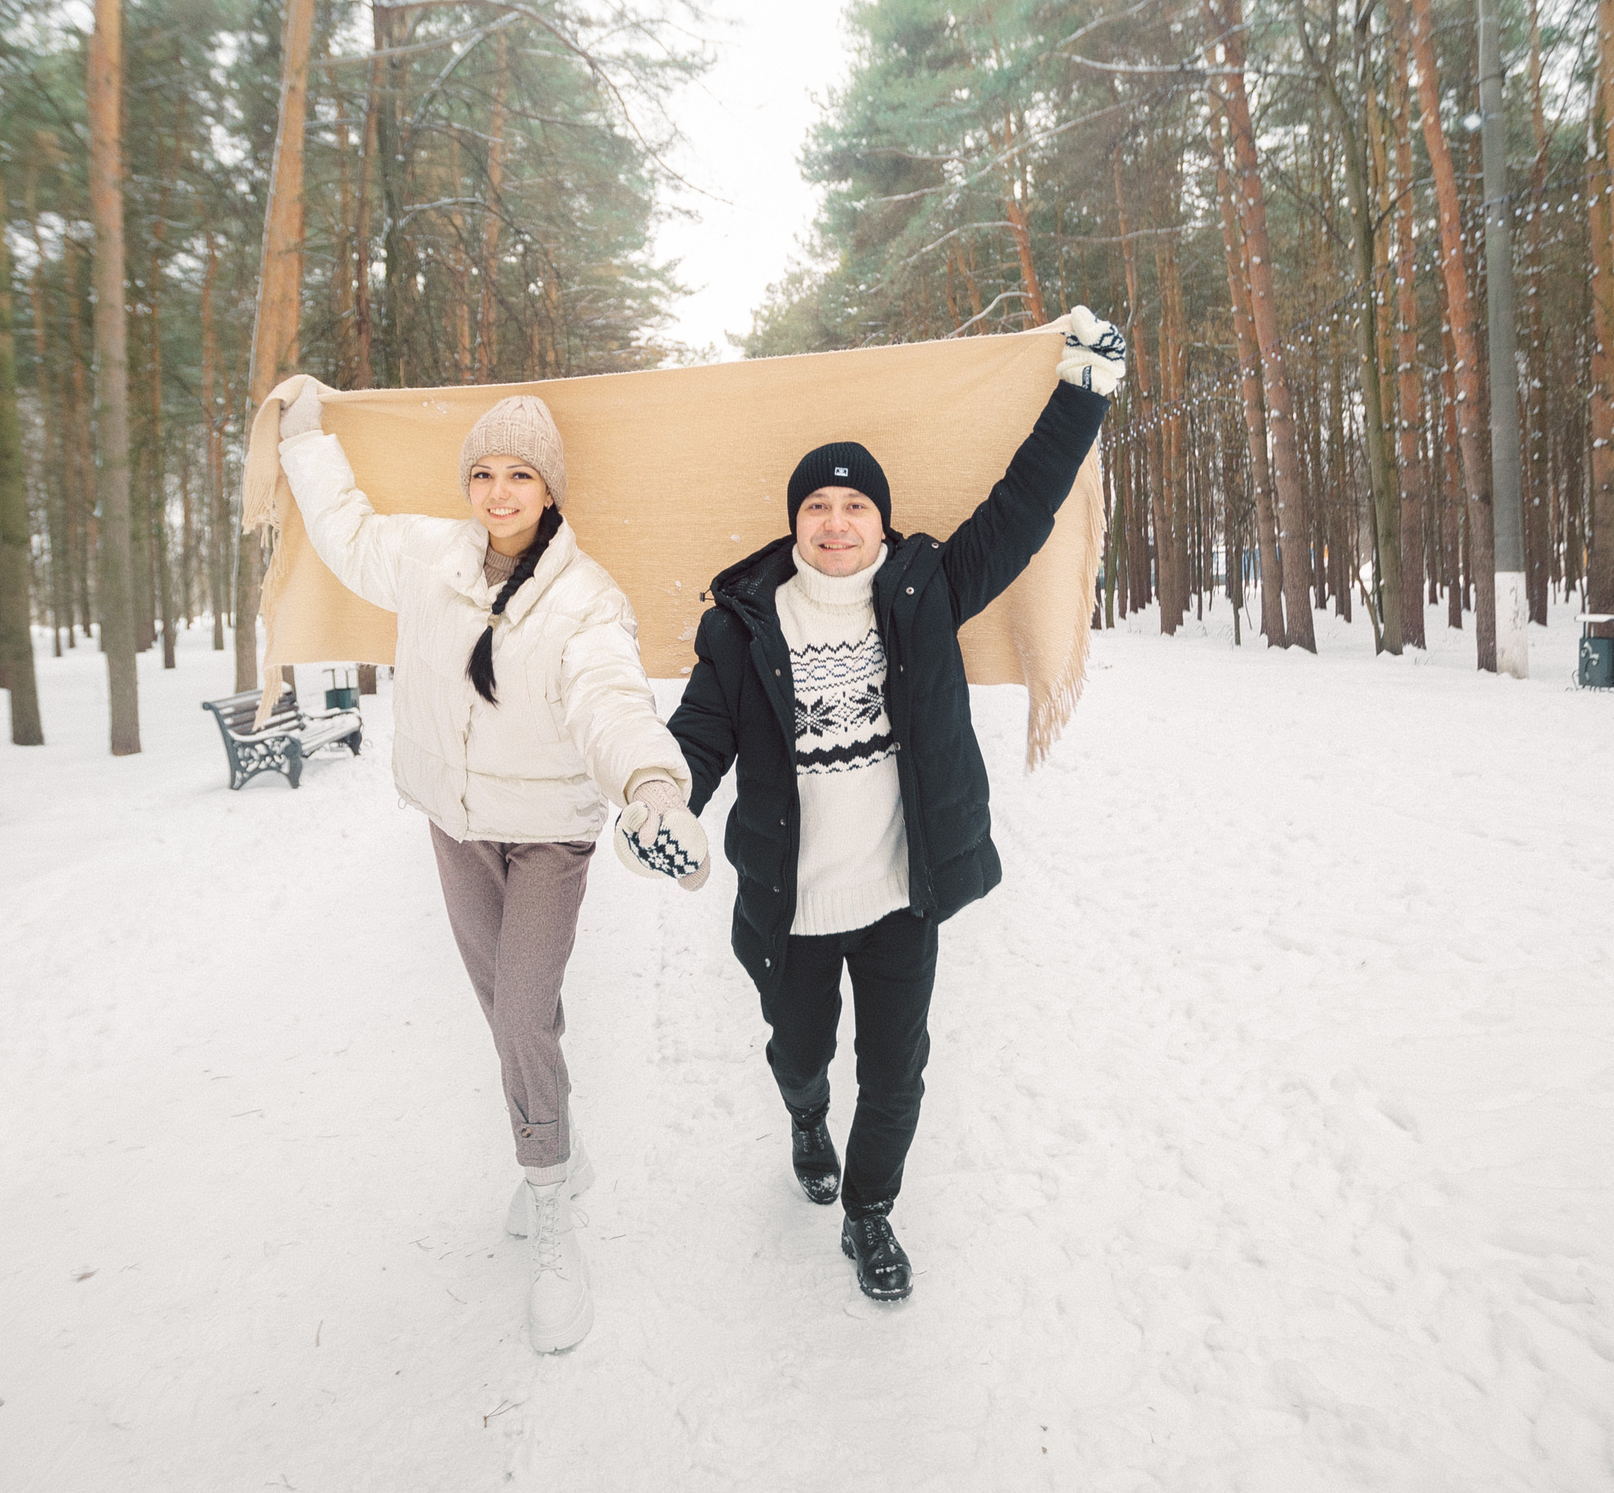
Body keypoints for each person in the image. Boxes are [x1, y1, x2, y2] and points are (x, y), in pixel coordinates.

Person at [666, 308, 1128, 1302]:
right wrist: (661, 796)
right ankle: (804, 1115)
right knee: (799, 1052)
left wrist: (1082, 394)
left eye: (855, 505)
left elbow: (1021, 507)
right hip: (788, 906)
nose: (836, 523)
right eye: (817, 506)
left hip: (896, 900)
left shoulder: (927, 592)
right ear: (794, 522)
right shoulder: (742, 625)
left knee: (894, 1073)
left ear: (882, 520)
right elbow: (698, 735)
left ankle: (869, 1211)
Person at [275, 383, 711, 1354]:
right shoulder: (428, 557)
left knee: (519, 1013)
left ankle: (551, 1205)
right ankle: (560, 1142)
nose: (499, 491)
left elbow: (610, 701)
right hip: (456, 826)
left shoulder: (586, 598)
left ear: (549, 489)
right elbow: (347, 534)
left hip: (549, 833)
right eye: (483, 472)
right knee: (513, 1016)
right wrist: (305, 438)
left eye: (519, 474)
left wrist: (650, 786)